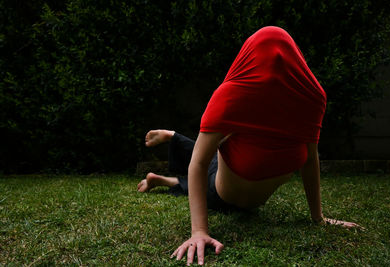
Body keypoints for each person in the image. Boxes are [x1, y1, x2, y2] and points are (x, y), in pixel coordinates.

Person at [137, 26, 361, 266]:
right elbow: (198, 165)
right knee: (202, 179)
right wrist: (198, 231)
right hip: (221, 189)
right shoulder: (229, 98)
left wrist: (319, 217)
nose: (274, 65)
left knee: (211, 154)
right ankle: (172, 144)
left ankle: (164, 166)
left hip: (232, 160)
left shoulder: (309, 101)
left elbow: (310, 159)